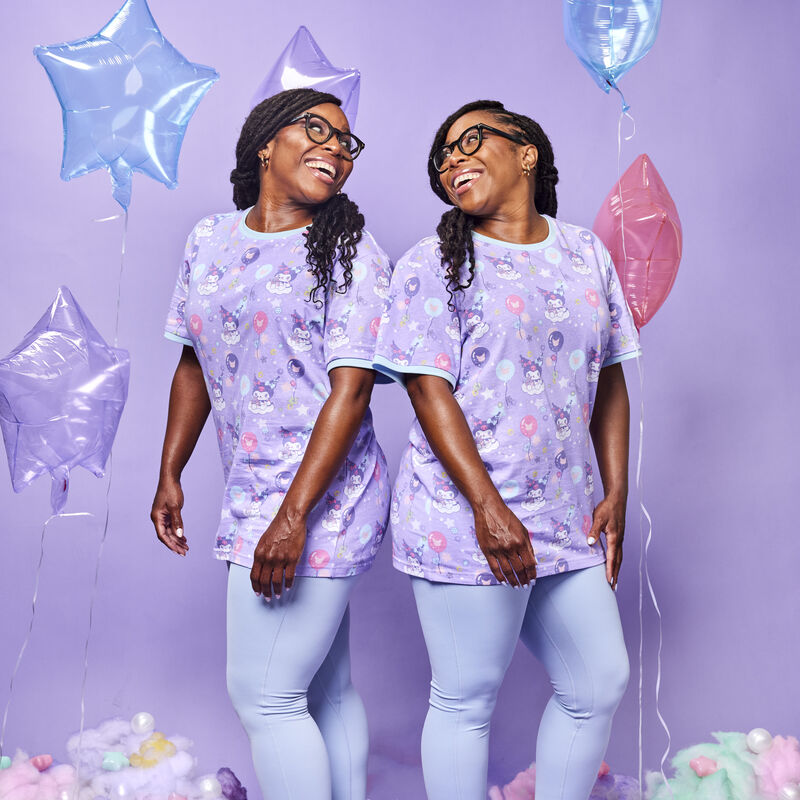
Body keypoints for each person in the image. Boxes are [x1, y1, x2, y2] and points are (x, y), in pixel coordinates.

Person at [373, 100, 641, 800]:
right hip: (465, 517)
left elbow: (610, 375)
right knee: (466, 697)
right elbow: (427, 389)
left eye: (470, 141)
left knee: (597, 680)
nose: (452, 161)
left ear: (526, 153)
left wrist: (615, 490)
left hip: (564, 516)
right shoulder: (434, 262)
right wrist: (488, 508)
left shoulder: (585, 253)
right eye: (443, 157)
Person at [151, 88, 391, 800]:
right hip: (251, 489)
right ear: (265, 142)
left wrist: (292, 517)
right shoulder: (209, 239)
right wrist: (171, 471)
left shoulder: (350, 250)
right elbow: (193, 360)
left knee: (266, 695)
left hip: (323, 498)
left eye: (346, 141)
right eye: (317, 129)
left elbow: (353, 389)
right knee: (326, 688)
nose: (335, 147)